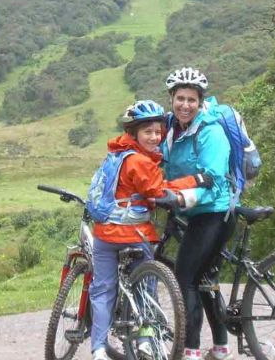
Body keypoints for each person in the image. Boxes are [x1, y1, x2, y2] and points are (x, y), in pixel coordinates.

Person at [90, 100, 212, 360]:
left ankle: (99, 348)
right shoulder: (140, 163)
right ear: (134, 133)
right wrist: (197, 180)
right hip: (133, 234)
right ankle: (145, 339)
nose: (155, 137)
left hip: (104, 234)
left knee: (102, 289)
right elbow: (158, 192)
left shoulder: (116, 155)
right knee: (147, 283)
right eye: (148, 132)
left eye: (158, 132)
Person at [161, 67, 236, 360]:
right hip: (201, 213)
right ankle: (220, 348)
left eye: (191, 99)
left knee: (186, 279)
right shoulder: (172, 129)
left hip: (214, 214)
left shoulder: (210, 131)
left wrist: (180, 196)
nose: (185, 105)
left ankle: (189, 351)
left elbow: (213, 178)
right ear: (172, 98)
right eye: (180, 98)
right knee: (206, 281)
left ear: (200, 101)